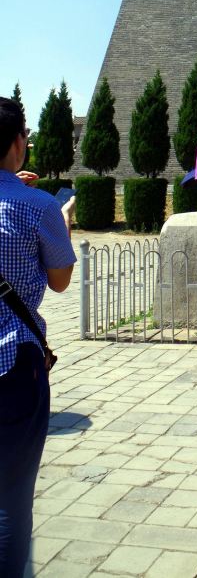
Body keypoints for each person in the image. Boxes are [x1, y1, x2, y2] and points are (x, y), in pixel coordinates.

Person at [0, 97, 76, 576]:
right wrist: (60, 220)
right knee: (10, 499)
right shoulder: (39, 206)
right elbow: (61, 279)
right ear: (16, 144)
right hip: (13, 365)